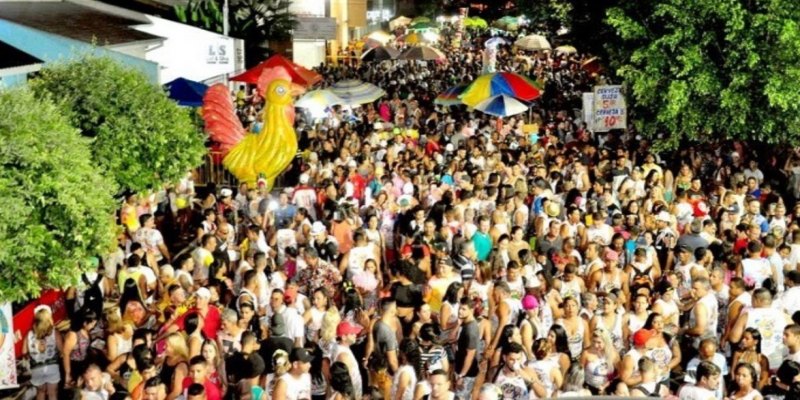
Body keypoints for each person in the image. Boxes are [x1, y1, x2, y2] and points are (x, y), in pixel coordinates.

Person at [23, 305, 62, 400]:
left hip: (36, 368)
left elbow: (24, 352)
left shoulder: (29, 334)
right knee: (52, 393)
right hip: (52, 366)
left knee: (40, 393)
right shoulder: (54, 332)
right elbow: (62, 350)